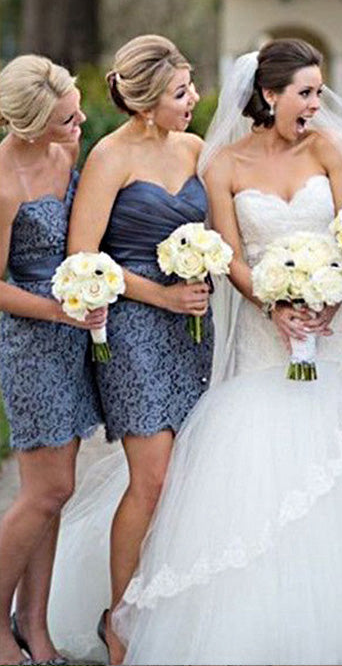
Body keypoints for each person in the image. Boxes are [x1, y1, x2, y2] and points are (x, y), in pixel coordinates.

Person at [56, 37, 342, 665]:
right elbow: (231, 252)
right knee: (250, 462)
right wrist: (273, 304)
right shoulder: (221, 164)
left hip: (337, 326)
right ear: (269, 96)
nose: (317, 105)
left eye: (319, 92)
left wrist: (329, 295)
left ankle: (339, 616)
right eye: (304, 93)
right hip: (259, 328)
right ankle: (159, 615)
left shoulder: (323, 147)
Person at [65, 34, 213, 664]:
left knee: (186, 480)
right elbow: (83, 256)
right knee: (150, 480)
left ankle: (169, 605)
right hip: (132, 334)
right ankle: (119, 618)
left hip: (194, 334)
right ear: (148, 102)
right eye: (182, 92)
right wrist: (164, 296)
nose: (194, 99)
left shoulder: (197, 148)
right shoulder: (109, 157)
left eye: (192, 87)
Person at [0, 55, 105, 665]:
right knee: (46, 489)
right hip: (32, 344)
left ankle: (35, 631)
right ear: (32, 125)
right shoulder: (4, 179)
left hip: (74, 336)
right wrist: (61, 310)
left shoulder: (65, 157)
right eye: (67, 118)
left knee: (54, 494)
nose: (80, 122)